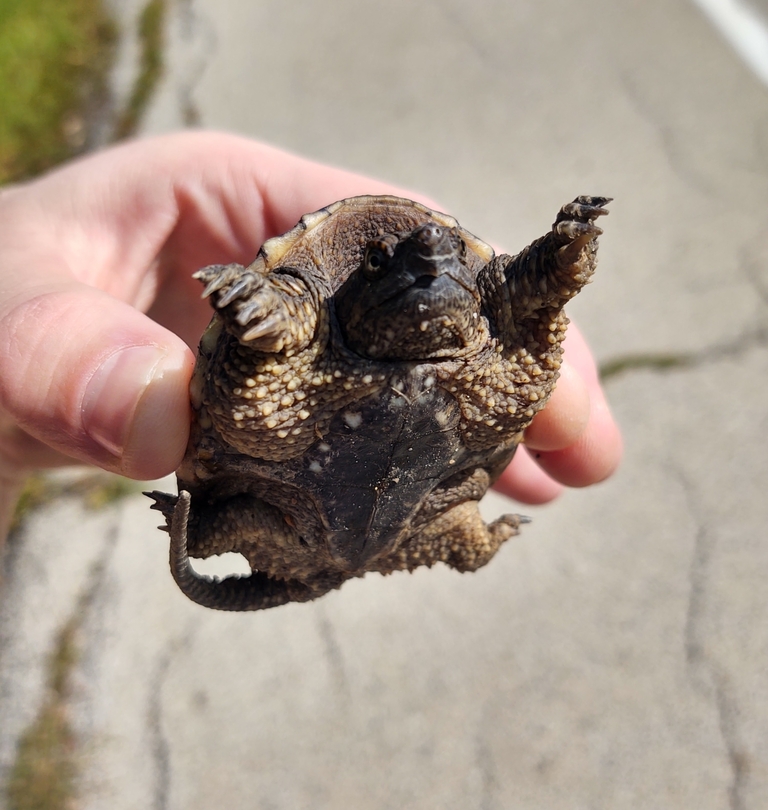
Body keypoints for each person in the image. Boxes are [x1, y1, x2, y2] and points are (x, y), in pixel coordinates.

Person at [0, 131, 622, 539]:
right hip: (282, 517)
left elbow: (529, 291)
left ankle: (472, 541)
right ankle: (211, 529)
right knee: (245, 505)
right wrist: (261, 309)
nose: (432, 262)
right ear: (352, 283)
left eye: (449, 264)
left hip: (422, 513)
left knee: (465, 530)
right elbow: (274, 337)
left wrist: (559, 254)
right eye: (387, 265)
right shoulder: (305, 321)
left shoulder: (490, 323)